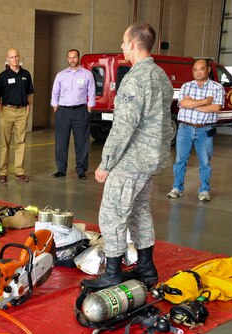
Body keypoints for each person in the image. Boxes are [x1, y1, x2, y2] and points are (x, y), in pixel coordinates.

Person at [83, 23, 173, 289]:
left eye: (124, 42)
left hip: (132, 160)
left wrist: (106, 162)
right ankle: (146, 270)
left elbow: (124, 127)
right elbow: (168, 122)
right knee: (139, 211)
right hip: (151, 159)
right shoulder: (161, 76)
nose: (122, 46)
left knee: (112, 214)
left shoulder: (135, 79)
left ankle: (112, 273)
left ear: (133, 43)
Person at [167, 59, 223, 202]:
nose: (198, 72)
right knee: (180, 160)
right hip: (185, 128)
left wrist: (192, 104)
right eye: (195, 69)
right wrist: (205, 101)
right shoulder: (186, 86)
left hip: (205, 130)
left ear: (208, 70)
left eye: (201, 69)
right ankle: (177, 188)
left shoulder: (217, 88)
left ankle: (204, 191)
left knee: (205, 162)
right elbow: (183, 103)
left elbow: (216, 108)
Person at [51, 49, 95, 180]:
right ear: (67, 59)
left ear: (78, 58)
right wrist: (56, 109)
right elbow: (55, 94)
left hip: (80, 111)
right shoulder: (60, 75)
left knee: (82, 142)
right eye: (70, 58)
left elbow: (91, 93)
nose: (72, 60)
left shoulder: (87, 74)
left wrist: (89, 110)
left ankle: (81, 170)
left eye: (74, 57)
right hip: (63, 111)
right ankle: (61, 169)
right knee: (61, 142)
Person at [0, 48, 33, 183]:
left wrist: (27, 110)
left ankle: (19, 172)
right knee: (5, 144)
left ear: (19, 57)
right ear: (7, 59)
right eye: (11, 57)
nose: (14, 59)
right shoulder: (3, 76)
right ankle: (3, 172)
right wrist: (1, 112)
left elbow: (29, 94)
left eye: (16, 56)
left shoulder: (26, 74)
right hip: (7, 111)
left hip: (22, 112)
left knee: (20, 142)